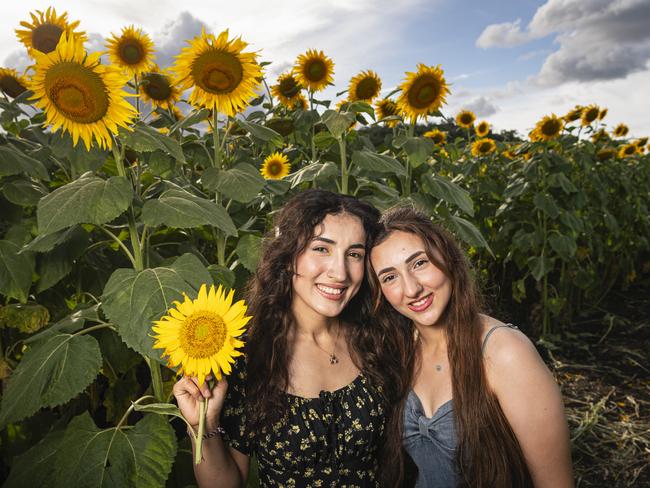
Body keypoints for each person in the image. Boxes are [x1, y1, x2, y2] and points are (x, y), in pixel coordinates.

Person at [172, 189, 411, 487]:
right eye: (321, 249)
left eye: (354, 254)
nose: (339, 272)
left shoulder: (381, 336)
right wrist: (203, 426)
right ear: (288, 256)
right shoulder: (245, 356)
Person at [368, 206, 574, 488]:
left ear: (448, 258)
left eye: (419, 263)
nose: (411, 289)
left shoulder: (506, 353)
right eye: (390, 277)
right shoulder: (401, 350)